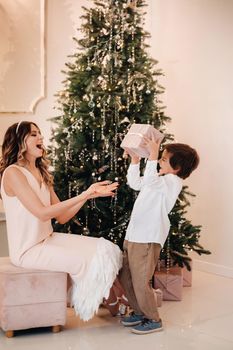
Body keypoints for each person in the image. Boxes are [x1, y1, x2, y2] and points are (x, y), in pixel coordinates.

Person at [0, 121, 122, 322]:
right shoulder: (13, 173)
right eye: (33, 134)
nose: (40, 137)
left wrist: (87, 196)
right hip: (27, 250)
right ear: (19, 141)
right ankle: (118, 306)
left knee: (103, 248)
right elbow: (42, 213)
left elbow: (62, 217)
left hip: (46, 239)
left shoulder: (40, 172)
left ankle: (122, 300)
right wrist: (85, 193)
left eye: (39, 133)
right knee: (81, 261)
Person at [119, 137, 199, 334]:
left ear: (177, 167)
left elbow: (149, 180)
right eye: (160, 158)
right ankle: (139, 311)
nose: (159, 161)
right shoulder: (160, 180)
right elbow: (135, 183)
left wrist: (152, 156)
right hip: (134, 234)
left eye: (163, 158)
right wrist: (135, 161)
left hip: (147, 237)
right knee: (127, 276)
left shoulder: (172, 182)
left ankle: (153, 319)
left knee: (140, 279)